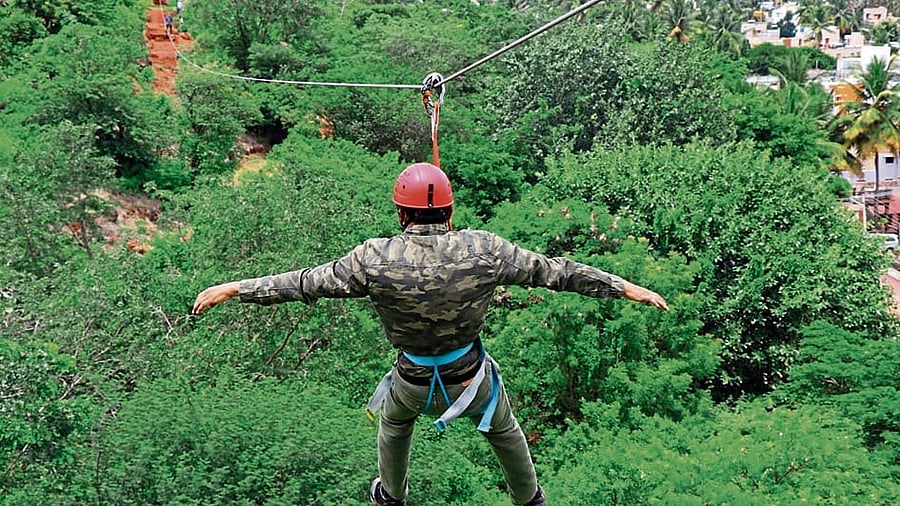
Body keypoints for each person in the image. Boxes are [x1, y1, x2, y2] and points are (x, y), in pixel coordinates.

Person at [191, 163, 669, 506]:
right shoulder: (484, 249)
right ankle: (529, 499)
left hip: (412, 382)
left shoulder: (373, 258)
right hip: (471, 379)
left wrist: (237, 288)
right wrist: (624, 287)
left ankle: (391, 494)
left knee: (395, 424)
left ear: (402, 215)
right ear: (449, 211)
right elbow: (557, 272)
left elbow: (303, 283)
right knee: (504, 430)